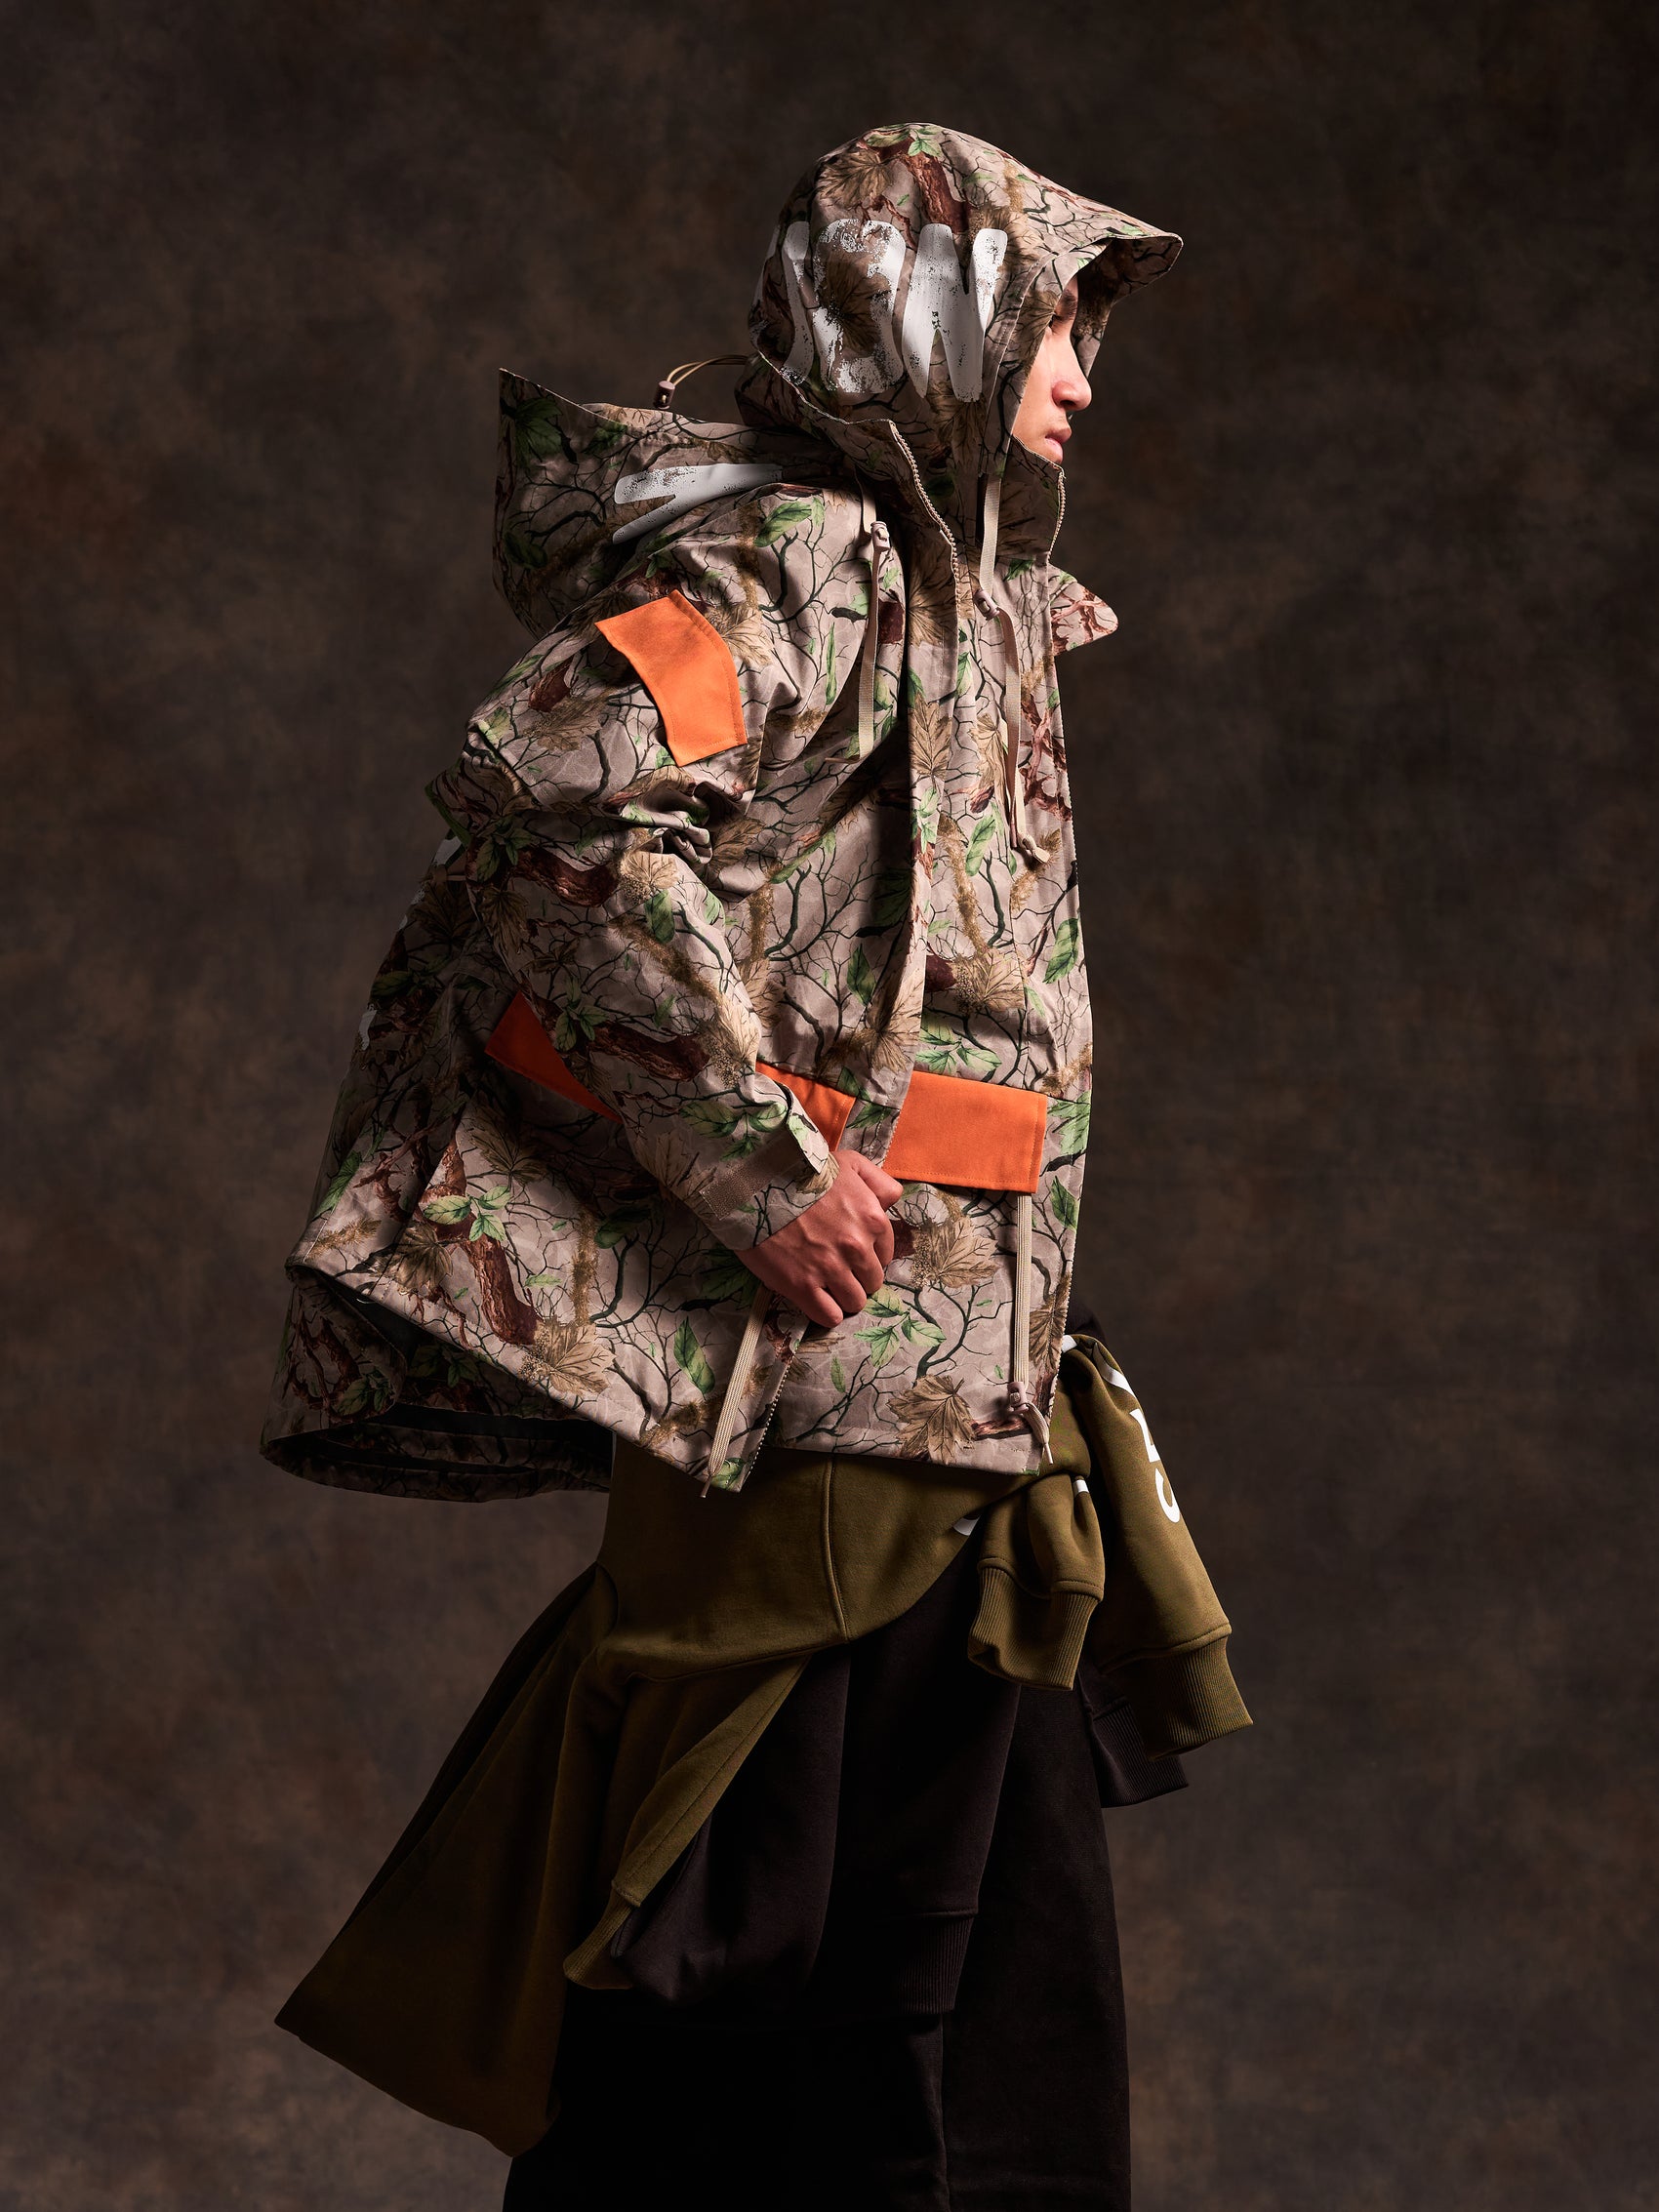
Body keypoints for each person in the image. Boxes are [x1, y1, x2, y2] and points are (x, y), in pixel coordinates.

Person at [261, 124, 1250, 2210]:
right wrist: (754, 1170)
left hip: (953, 1405)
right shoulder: (796, 566)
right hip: (825, 1412)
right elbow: (563, 809)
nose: (1085, 374)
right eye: (1054, 323)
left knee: (967, 2009)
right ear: (934, 323)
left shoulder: (953, 592)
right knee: (766, 1988)